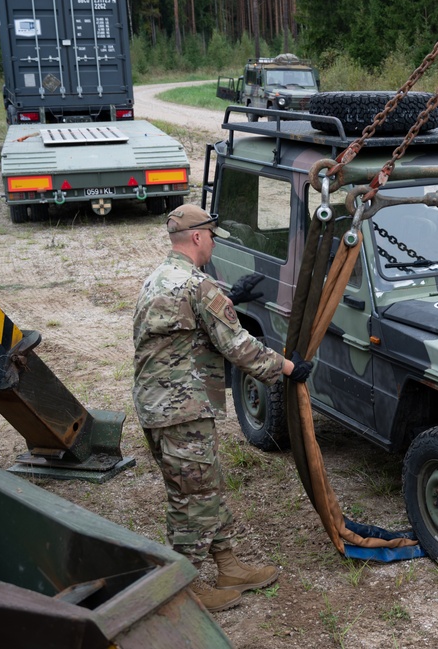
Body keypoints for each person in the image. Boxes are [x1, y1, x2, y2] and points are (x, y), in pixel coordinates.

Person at [133, 204, 312, 612]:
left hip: (160, 407)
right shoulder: (199, 287)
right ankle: (187, 587)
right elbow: (239, 347)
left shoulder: (159, 277)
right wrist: (288, 368)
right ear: (197, 237)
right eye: (212, 235)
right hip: (182, 412)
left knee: (202, 487)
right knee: (191, 500)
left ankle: (228, 564)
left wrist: (230, 298)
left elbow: (180, 320)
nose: (213, 242)